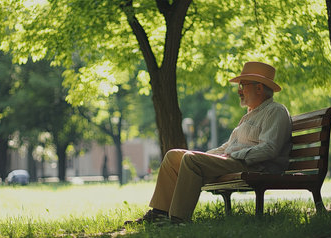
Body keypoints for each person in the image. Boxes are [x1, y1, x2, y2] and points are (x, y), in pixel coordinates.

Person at [125, 61, 292, 224]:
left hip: (254, 166)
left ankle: (178, 219)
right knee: (173, 157)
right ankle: (159, 213)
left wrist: (233, 155)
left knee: (191, 160)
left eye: (243, 85)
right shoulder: (250, 115)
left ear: (259, 87)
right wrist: (206, 157)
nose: (239, 91)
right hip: (233, 161)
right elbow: (228, 146)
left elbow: (270, 149)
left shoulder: (275, 111)